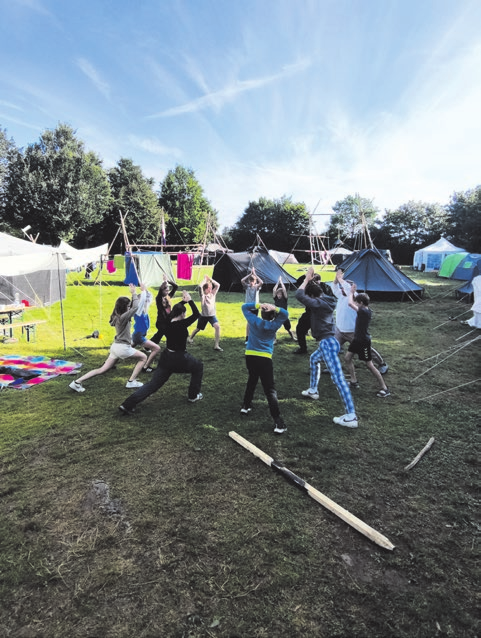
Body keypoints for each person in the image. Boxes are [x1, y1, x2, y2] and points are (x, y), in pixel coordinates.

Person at [119, 291, 204, 414]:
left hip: (166, 358)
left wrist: (182, 302)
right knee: (198, 367)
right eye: (184, 313)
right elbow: (197, 314)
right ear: (182, 314)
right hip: (180, 358)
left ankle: (127, 404)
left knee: (154, 384)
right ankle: (193, 396)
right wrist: (190, 300)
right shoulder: (182, 324)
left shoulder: (167, 322)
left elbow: (175, 311)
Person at [295, 267, 359, 428]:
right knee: (314, 359)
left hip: (328, 343)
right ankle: (313, 390)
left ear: (312, 296)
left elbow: (298, 295)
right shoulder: (328, 299)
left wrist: (306, 279)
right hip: (329, 342)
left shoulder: (318, 304)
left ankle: (351, 416)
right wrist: (312, 281)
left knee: (338, 378)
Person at [69, 283, 147, 392]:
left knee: (102, 370)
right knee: (143, 357)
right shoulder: (123, 317)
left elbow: (132, 307)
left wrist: (134, 296)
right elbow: (135, 307)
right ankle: (131, 382)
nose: (129, 308)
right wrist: (135, 293)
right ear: (124, 307)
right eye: (127, 306)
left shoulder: (116, 316)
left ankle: (77, 382)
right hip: (122, 348)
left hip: (115, 347)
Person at [241, 301, 288, 434]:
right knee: (269, 389)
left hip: (250, 356)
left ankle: (245, 406)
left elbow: (244, 307)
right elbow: (285, 314)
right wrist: (275, 307)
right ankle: (278, 421)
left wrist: (258, 305)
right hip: (265, 358)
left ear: (262, 313)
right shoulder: (274, 325)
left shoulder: (254, 321)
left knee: (252, 379)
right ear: (273, 315)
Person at [331, 268, 389, 374]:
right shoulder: (340, 296)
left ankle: (382, 364)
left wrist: (340, 278)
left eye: (344, 287)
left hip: (353, 332)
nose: (342, 289)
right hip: (339, 331)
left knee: (367, 350)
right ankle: (332, 366)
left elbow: (348, 289)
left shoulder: (357, 298)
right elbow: (334, 286)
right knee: (332, 348)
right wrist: (336, 277)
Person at [344, 283, 390, 397]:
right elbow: (354, 301)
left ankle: (384, 388)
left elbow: (350, 303)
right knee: (347, 358)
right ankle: (354, 382)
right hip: (356, 339)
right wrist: (354, 291)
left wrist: (350, 293)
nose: (355, 303)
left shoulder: (364, 312)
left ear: (360, 303)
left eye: (357, 302)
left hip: (363, 341)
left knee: (369, 365)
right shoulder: (364, 309)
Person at [188, 275, 223, 351]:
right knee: (198, 329)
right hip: (203, 316)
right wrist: (204, 280)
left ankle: (216, 345)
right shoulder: (203, 296)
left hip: (212, 316)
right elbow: (200, 287)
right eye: (209, 288)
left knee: (217, 327)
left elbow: (218, 285)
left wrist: (210, 279)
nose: (210, 290)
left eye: (211, 288)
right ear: (205, 289)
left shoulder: (213, 294)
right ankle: (190, 338)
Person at [131, 286, 161, 372]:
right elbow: (143, 300)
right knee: (156, 349)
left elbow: (149, 297)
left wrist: (146, 290)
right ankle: (146, 367)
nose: (147, 301)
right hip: (138, 336)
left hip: (138, 335)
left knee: (124, 351)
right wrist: (143, 291)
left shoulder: (144, 310)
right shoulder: (138, 311)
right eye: (145, 300)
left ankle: (109, 361)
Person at [293, 272, 322, 354]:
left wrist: (309, 279)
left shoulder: (320, 288)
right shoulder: (309, 287)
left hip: (317, 314)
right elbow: (299, 281)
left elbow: (299, 294)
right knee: (300, 329)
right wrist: (307, 276)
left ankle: (325, 349)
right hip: (309, 313)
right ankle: (303, 348)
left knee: (321, 334)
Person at [151, 274, 178, 345]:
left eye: (168, 291)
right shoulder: (159, 299)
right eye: (166, 291)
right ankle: (149, 345)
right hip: (161, 322)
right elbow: (162, 312)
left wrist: (167, 281)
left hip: (167, 321)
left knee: (159, 335)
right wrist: (165, 282)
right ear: (162, 290)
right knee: (163, 334)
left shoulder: (168, 296)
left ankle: (149, 345)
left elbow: (175, 287)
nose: (168, 292)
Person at [241, 267, 263, 343]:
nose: (251, 282)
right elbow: (242, 280)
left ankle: (254, 337)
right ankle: (247, 338)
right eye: (250, 281)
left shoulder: (256, 287)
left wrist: (255, 274)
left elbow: (261, 282)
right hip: (248, 307)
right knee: (249, 322)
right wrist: (250, 274)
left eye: (253, 281)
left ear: (255, 281)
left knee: (254, 322)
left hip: (255, 307)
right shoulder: (247, 287)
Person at [273, 277, 297, 341]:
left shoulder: (285, 299)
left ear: (283, 295)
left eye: (280, 294)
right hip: (277, 316)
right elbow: (274, 290)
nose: (279, 295)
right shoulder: (276, 299)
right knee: (274, 328)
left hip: (284, 316)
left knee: (288, 328)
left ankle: (293, 337)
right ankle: (274, 340)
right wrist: (278, 282)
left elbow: (284, 290)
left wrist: (281, 282)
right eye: (278, 294)